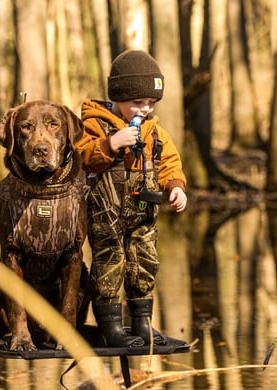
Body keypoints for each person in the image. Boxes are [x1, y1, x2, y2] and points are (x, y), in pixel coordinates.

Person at [76, 49, 187, 348]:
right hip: (106, 216)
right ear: (118, 97)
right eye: (137, 103)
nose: (145, 109)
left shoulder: (154, 133)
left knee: (144, 262)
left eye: (150, 103)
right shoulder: (95, 124)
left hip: (143, 213)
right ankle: (111, 326)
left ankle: (142, 322)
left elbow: (170, 163)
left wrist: (175, 187)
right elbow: (83, 156)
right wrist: (111, 143)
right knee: (109, 263)